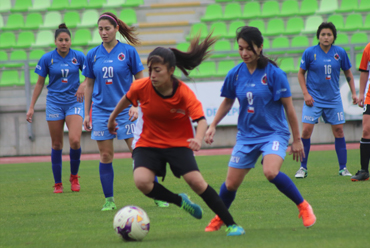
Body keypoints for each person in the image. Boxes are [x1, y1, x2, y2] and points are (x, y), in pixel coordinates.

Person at [107, 34, 245, 236]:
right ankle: (180, 201)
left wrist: (198, 139)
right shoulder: (141, 86)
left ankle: (231, 224)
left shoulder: (183, 92)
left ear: (171, 71)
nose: (152, 75)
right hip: (148, 143)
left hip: (179, 143)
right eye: (150, 70)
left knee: (197, 183)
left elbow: (201, 120)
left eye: (157, 70)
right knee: (142, 181)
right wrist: (111, 120)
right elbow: (126, 99)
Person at [203, 26, 316, 232]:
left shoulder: (274, 74)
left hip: (273, 133)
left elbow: (289, 108)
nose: (244, 53)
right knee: (230, 185)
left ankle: (304, 206)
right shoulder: (235, 74)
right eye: (240, 48)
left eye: (248, 48)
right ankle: (221, 217)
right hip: (246, 136)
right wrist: (212, 126)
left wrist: (296, 139)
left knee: (270, 171)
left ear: (260, 47)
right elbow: (227, 102)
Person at [82, 12, 167, 211]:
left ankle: (158, 195)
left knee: (140, 153)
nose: (103, 33)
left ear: (116, 29)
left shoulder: (128, 52)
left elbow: (140, 82)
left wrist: (137, 106)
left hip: (126, 110)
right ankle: (109, 201)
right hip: (102, 112)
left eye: (107, 28)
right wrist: (87, 113)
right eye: (100, 29)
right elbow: (88, 85)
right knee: (105, 156)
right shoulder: (92, 55)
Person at [26, 23, 85, 193]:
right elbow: (39, 84)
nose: (64, 43)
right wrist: (31, 107)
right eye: (61, 40)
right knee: (57, 144)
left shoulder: (79, 57)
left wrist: (83, 84)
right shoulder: (47, 59)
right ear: (55, 41)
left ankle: (74, 177)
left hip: (74, 101)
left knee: (74, 140)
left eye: (66, 40)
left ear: (70, 41)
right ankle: (58, 183)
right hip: (54, 103)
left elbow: (89, 76)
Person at [295, 22, 359, 178]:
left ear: (333, 37)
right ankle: (302, 168)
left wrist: (354, 93)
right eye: (323, 34)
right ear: (318, 36)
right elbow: (300, 74)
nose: (325, 37)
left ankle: (343, 168)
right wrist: (306, 94)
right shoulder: (310, 52)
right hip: (313, 99)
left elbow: (348, 73)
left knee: (338, 131)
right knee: (306, 131)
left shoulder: (340, 53)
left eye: (329, 34)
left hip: (333, 99)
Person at [351, 42, 370, 181]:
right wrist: (361, 94)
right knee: (366, 130)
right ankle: (364, 170)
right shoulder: (368, 48)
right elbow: (364, 71)